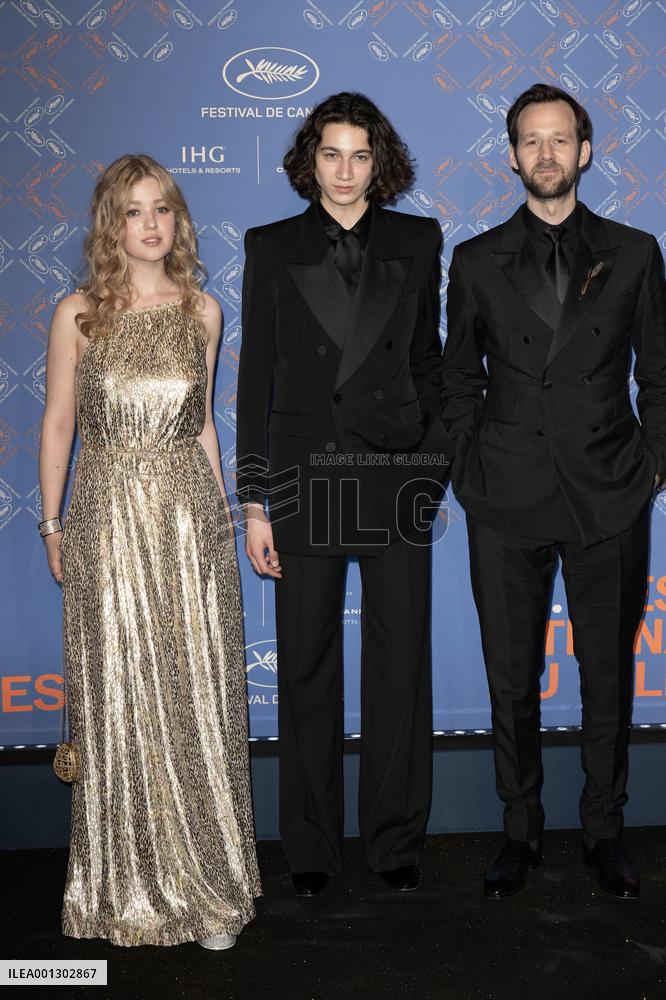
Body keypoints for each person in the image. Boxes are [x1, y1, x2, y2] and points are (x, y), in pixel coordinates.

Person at [441, 83, 666, 899]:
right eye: (530, 141)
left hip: (609, 492)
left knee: (607, 674)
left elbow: (659, 372)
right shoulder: (472, 261)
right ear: (511, 156)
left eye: (560, 140)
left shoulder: (636, 251)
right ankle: (520, 831)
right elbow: (457, 377)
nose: (546, 154)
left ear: (586, 150)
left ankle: (605, 831)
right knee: (511, 677)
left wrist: (652, 467)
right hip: (504, 496)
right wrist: (469, 467)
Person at [39, 154, 261, 947]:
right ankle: (122, 889)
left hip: (184, 520)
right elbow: (59, 424)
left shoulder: (203, 310)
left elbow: (204, 422)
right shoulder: (77, 314)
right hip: (103, 517)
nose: (151, 223)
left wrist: (223, 521)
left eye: (162, 207)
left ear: (178, 219)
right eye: (134, 211)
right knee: (118, 696)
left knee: (192, 696)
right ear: (112, 224)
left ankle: (207, 890)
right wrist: (52, 524)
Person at [236, 92, 452, 896]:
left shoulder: (418, 239)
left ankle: (396, 842)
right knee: (307, 672)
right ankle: (312, 847)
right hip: (300, 480)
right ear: (309, 160)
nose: (346, 171)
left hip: (394, 478)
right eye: (332, 154)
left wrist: (430, 472)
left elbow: (431, 365)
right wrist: (254, 503)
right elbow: (254, 379)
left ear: (380, 163)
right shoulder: (271, 245)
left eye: (361, 156)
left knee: (401, 670)